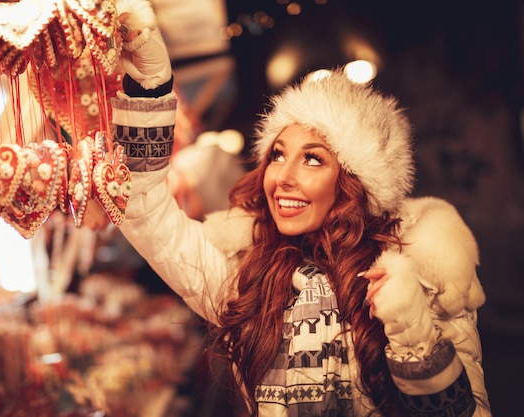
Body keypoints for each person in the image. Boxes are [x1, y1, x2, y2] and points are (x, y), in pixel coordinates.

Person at [108, 0, 493, 415]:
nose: (282, 177)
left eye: (313, 159)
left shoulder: (423, 270)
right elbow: (142, 207)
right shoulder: (242, 275)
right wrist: (150, 86)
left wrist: (411, 328)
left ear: (353, 183)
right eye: (277, 155)